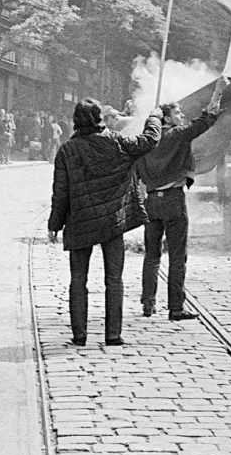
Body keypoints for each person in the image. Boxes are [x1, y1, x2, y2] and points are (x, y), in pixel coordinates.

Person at [47, 98, 161, 347]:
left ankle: (79, 335)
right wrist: (154, 117)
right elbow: (149, 141)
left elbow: (61, 192)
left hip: (80, 221)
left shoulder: (67, 150)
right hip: (112, 220)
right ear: (99, 118)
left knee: (78, 279)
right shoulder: (116, 141)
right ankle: (113, 335)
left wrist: (54, 224)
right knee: (114, 279)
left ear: (76, 121)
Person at [136, 77, 229, 320]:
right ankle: (176, 308)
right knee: (177, 257)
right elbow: (205, 121)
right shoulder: (176, 135)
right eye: (177, 113)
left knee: (151, 256)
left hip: (151, 202)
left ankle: (148, 303)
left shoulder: (145, 141)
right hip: (173, 201)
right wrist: (218, 91)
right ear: (166, 119)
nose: (182, 116)